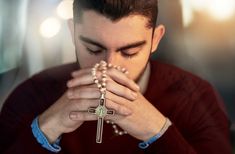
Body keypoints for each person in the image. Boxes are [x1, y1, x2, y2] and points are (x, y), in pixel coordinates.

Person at [0, 0, 232, 153]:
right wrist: (46, 128)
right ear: (72, 32)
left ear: (156, 39)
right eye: (93, 49)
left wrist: (159, 131)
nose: (108, 66)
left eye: (129, 52)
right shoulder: (31, 95)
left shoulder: (196, 98)